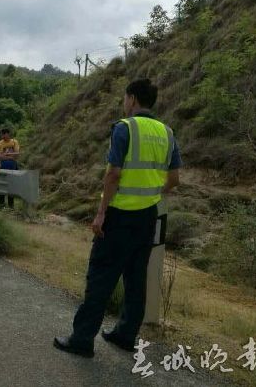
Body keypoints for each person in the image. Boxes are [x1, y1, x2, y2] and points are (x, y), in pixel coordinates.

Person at [54, 78, 182, 358]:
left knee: (101, 277)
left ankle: (82, 339)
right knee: (136, 279)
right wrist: (151, 193)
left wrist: (101, 212)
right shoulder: (167, 133)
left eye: (125, 98)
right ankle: (125, 335)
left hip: (119, 216)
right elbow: (174, 179)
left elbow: (113, 174)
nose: (124, 103)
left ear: (132, 99)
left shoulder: (125, 128)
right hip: (148, 217)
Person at [0, 128, 20, 210]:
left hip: (12, 167)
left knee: (11, 186)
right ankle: (1, 206)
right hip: (2, 167)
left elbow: (17, 154)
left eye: (3, 134)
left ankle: (11, 207)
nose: (2, 136)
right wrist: (10, 157)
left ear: (8, 134)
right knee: (1, 186)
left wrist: (6, 154)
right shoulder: (0, 143)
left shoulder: (14, 142)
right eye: (1, 135)